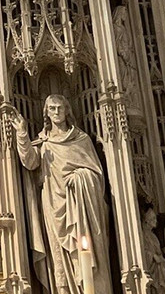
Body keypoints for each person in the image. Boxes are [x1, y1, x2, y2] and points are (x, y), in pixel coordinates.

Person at [15, 95, 110, 294]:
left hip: (82, 208)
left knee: (84, 254)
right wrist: (22, 134)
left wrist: (80, 178)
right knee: (58, 256)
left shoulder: (82, 140)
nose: (56, 112)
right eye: (51, 109)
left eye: (59, 108)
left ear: (67, 110)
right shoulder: (45, 143)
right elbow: (30, 162)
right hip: (53, 205)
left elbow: (97, 175)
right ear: (46, 113)